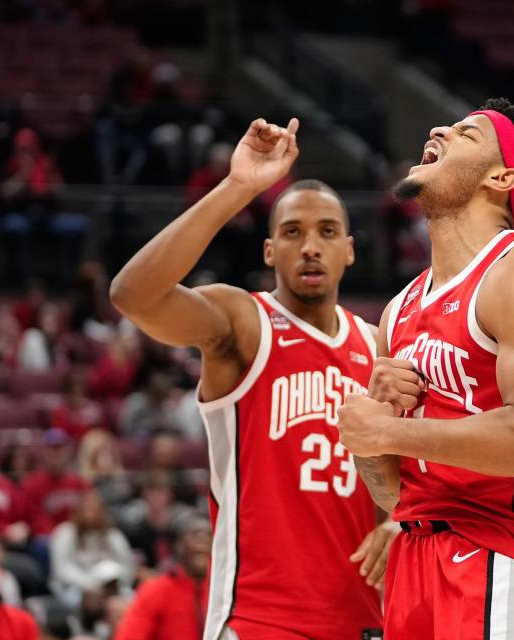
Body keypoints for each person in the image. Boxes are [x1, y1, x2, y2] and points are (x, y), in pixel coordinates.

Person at [110, 117, 396, 640]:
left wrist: (402, 520)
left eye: (327, 232)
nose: (310, 246)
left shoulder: (380, 346)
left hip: (362, 620)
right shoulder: (242, 321)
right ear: (269, 252)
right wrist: (237, 187)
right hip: (258, 619)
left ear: (350, 250)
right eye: (292, 233)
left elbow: (414, 474)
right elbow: (133, 295)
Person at [338, 97, 514, 638]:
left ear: (501, 176)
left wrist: (390, 429)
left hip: (499, 556)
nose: (437, 129)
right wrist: (369, 441)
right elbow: (395, 493)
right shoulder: (399, 309)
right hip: (413, 556)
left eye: (466, 134)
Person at [114, 512, 211, 640]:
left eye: (208, 535)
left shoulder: (229, 592)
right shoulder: (156, 590)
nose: (201, 539)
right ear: (178, 546)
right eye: (194, 534)